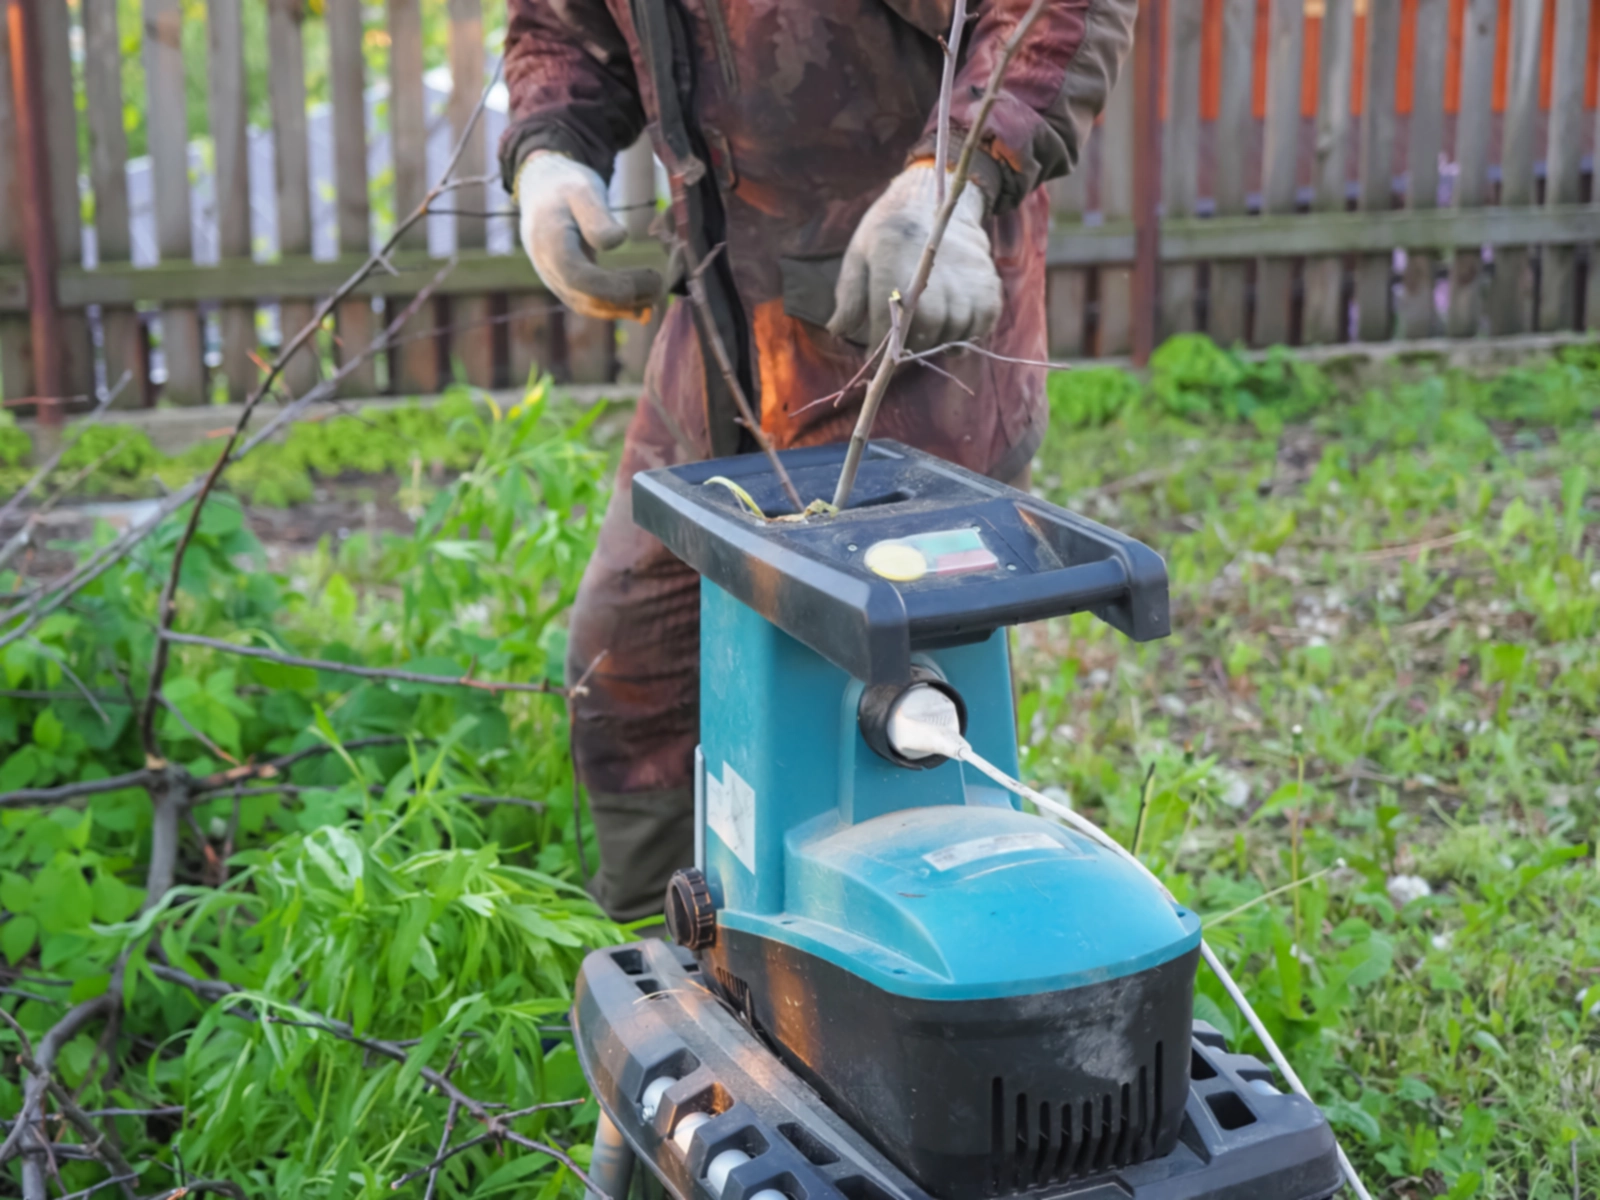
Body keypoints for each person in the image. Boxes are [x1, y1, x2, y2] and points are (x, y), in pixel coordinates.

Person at [499, 0, 1136, 923]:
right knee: (631, 666)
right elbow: (564, 24)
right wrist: (551, 149)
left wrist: (957, 174)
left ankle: (887, 1003)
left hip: (900, 333)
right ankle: (669, 970)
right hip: (722, 334)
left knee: (875, 715)